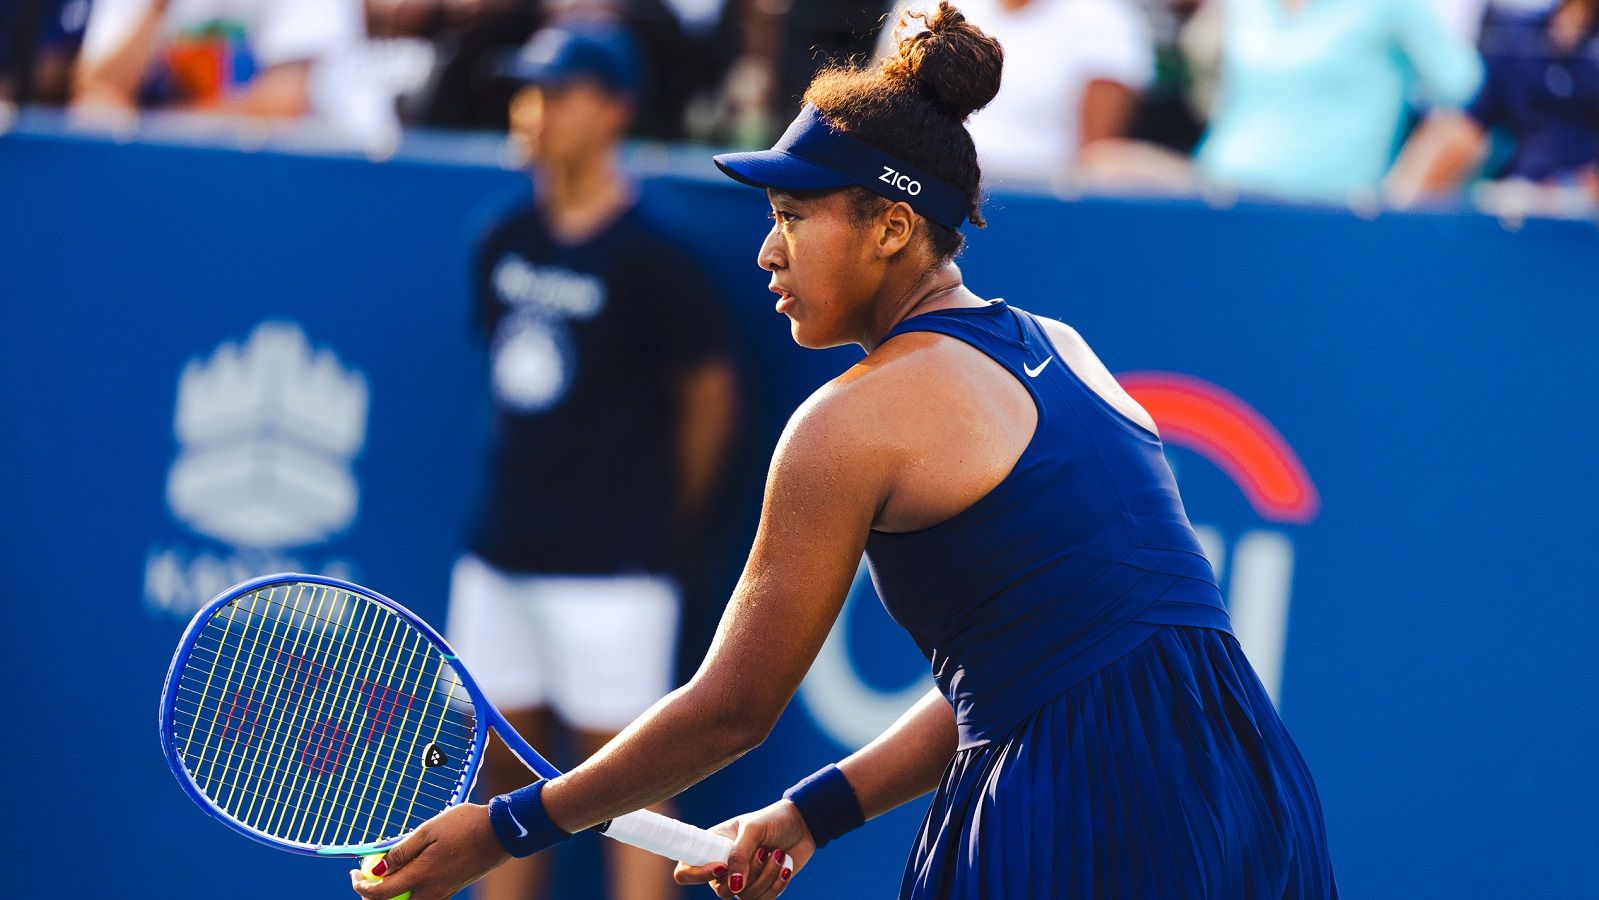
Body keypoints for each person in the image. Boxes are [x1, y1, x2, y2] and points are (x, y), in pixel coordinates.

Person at [349, 5, 1337, 900]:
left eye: (791, 219)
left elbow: (730, 710)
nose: (766, 252)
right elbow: (1038, 675)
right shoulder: (1065, 348)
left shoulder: (847, 423)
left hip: (1077, 814)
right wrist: (811, 811)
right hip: (1248, 790)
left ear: (893, 230)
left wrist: (508, 827)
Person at [444, 20, 739, 900]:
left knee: (630, 802)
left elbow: (708, 401)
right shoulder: (500, 238)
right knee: (499, 795)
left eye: (558, 92)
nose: (532, 111)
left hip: (614, 573)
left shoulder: (655, 254)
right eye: (526, 88)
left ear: (613, 111)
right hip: (499, 557)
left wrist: (651, 524)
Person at [1191, 0, 1483, 203]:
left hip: (1329, 212)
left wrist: (1396, 203)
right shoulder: (1245, 6)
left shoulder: (1393, 5)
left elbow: (1464, 98)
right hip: (1216, 193)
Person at [884, 0, 1155, 186]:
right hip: (924, 184)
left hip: (1042, 202)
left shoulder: (1106, 22)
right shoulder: (923, 6)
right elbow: (887, 101)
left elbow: (1093, 156)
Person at [71, 0, 396, 143]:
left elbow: (280, 106)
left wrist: (145, 134)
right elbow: (96, 94)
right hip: (194, 172)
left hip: (339, 178)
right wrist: (157, 7)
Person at [1388, 0, 1599, 208]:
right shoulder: (1521, 34)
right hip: (1516, 197)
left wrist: (1571, 191)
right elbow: (1469, 121)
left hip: (1583, 210)